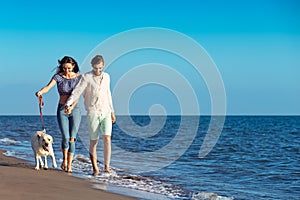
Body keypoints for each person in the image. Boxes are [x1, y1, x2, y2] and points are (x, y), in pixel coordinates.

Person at [65, 55, 116, 176]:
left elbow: (108, 94)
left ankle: (107, 167)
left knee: (107, 139)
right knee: (94, 141)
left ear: (103, 66)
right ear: (92, 67)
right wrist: (68, 103)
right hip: (93, 112)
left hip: (106, 112)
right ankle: (95, 168)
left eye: (100, 68)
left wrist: (112, 111)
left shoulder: (107, 77)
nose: (98, 71)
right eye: (95, 68)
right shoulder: (86, 77)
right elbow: (77, 91)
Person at [35, 56, 81, 173]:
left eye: (69, 68)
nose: (67, 71)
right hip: (61, 109)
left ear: (73, 66)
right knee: (65, 137)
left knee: (72, 138)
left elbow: (77, 95)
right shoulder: (58, 77)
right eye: (64, 68)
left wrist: (71, 107)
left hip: (75, 110)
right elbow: (48, 87)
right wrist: (40, 92)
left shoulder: (79, 78)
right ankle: (65, 160)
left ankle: (69, 165)